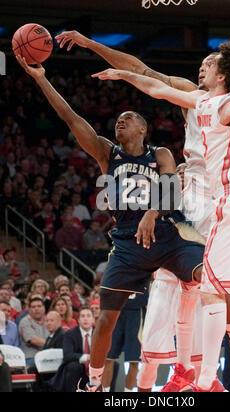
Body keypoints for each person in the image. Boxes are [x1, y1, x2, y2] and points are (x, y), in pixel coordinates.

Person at [55, 31, 230, 392]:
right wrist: (91, 46)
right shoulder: (192, 97)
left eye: (210, 63)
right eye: (203, 62)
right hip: (194, 195)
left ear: (223, 72)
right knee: (184, 284)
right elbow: (140, 70)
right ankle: (185, 370)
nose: (202, 66)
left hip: (227, 194)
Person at [16, 55, 206, 393]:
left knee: (209, 276)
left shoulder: (159, 153)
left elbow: (171, 187)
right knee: (106, 319)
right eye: (118, 119)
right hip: (128, 244)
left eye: (129, 118)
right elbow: (70, 118)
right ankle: (93, 384)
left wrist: (152, 213)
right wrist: (40, 78)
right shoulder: (107, 153)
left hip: (166, 236)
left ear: (143, 129)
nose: (121, 122)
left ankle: (216, 361)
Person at [103, 292, 148, 393]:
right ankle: (104, 390)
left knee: (134, 361)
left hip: (136, 314)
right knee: (109, 357)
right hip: (117, 312)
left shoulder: (144, 276)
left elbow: (146, 295)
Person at [50, 306, 94, 392]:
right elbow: (67, 356)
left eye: (88, 316)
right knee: (73, 366)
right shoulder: (70, 334)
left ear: (93, 320)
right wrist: (87, 357)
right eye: (83, 316)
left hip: (94, 365)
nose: (85, 319)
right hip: (78, 367)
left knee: (114, 365)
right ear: (78, 320)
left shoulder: (98, 333)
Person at [19, 296, 49, 367]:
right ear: (29, 309)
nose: (36, 309)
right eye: (33, 307)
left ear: (44, 308)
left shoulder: (49, 320)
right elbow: (34, 340)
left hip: (49, 356)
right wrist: (54, 344)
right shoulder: (25, 322)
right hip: (32, 358)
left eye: (39, 306)